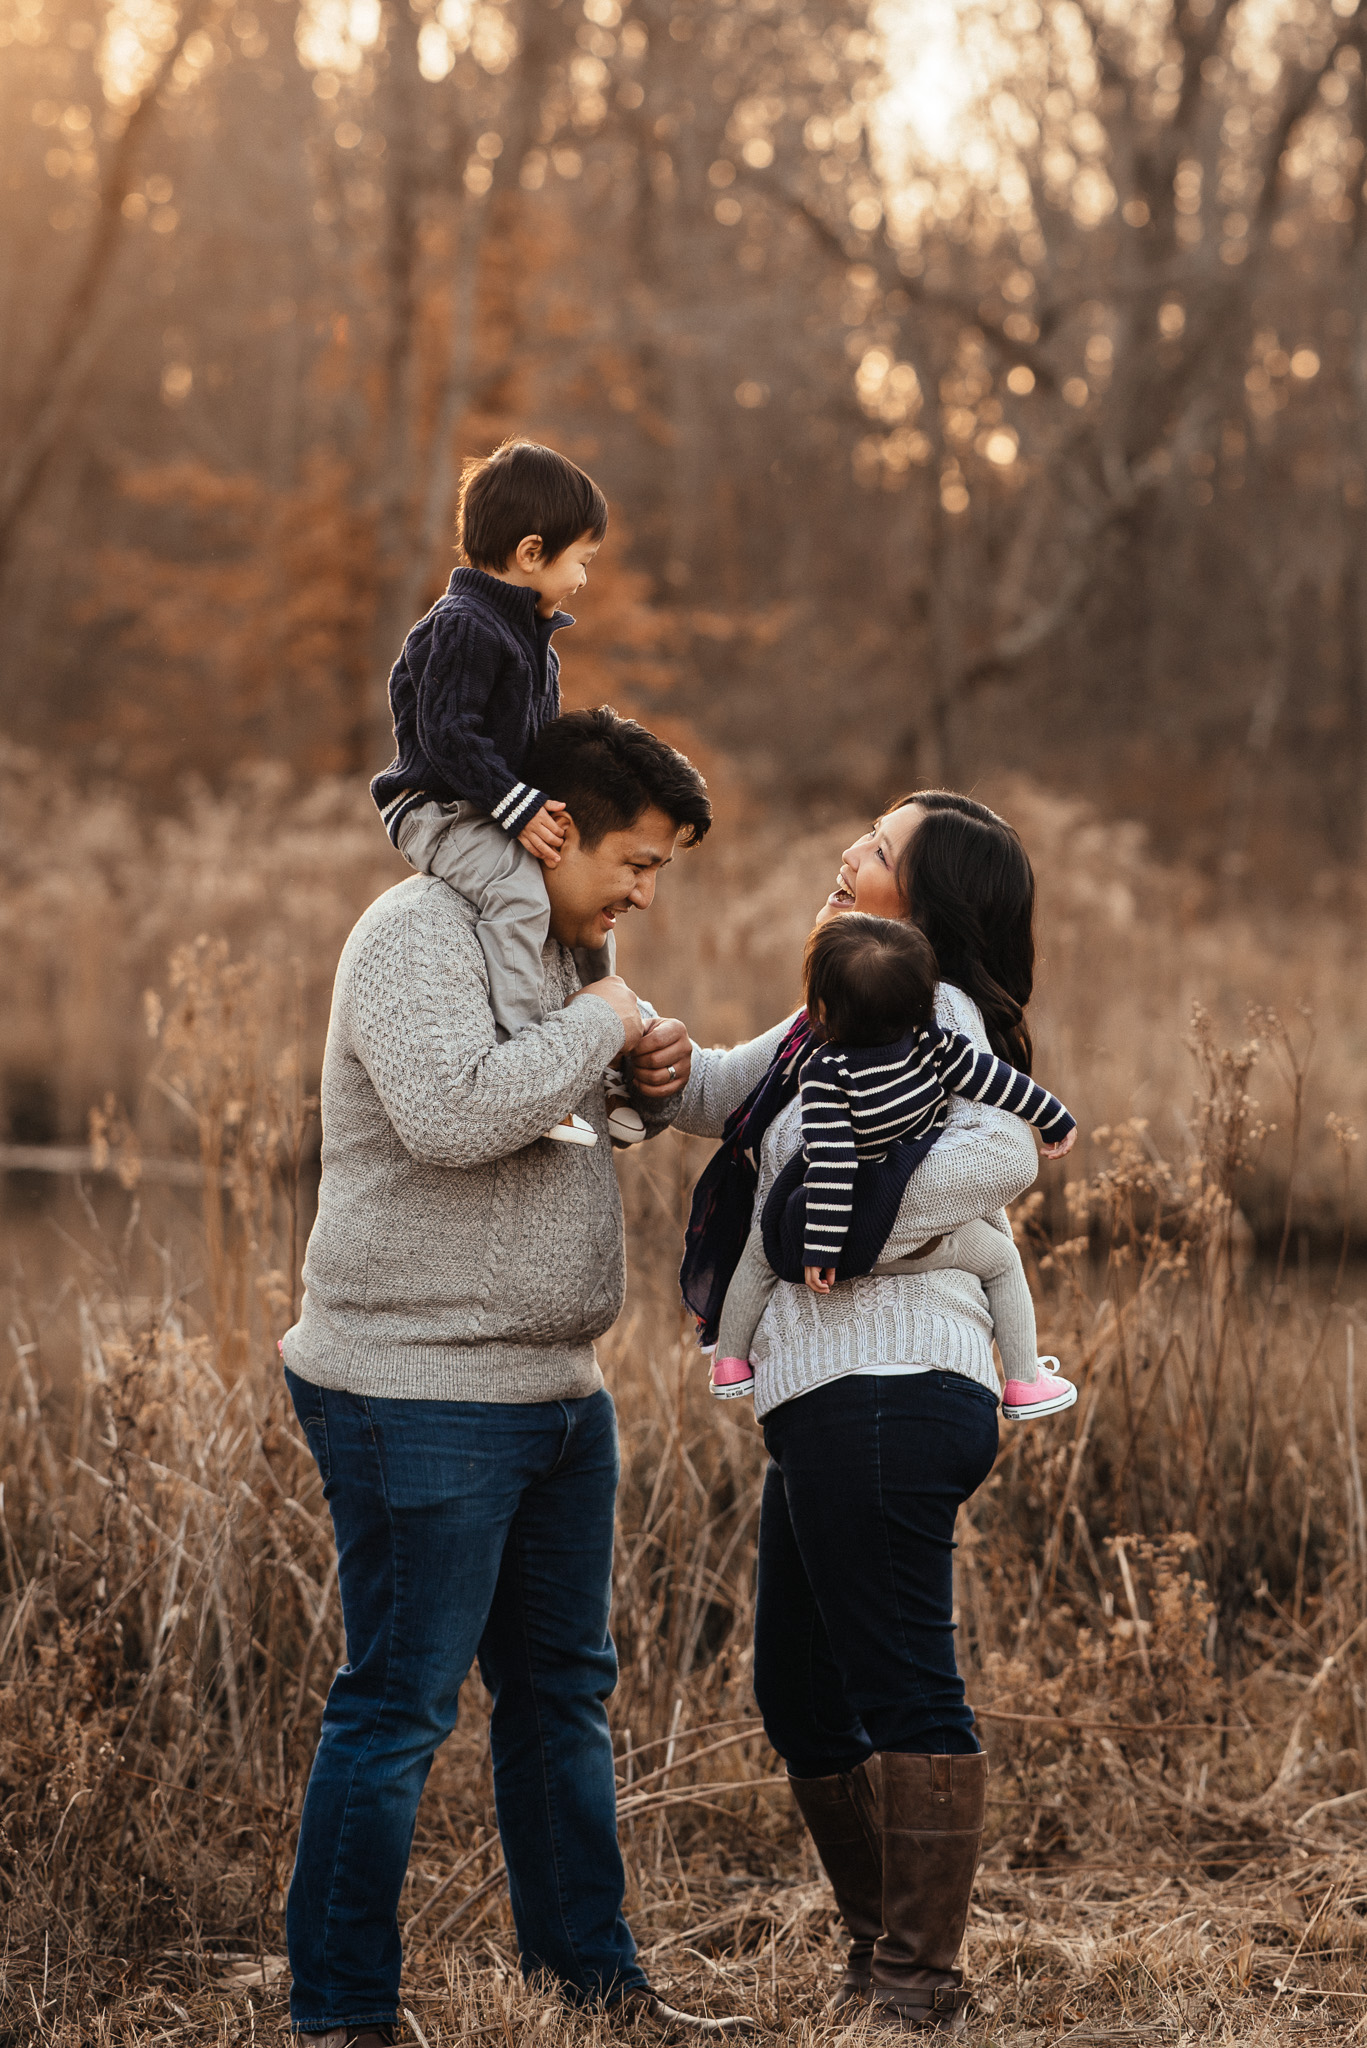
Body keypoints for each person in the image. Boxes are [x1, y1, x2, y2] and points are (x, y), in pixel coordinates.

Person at [280, 709, 737, 2048]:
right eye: (636, 864)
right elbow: (449, 1115)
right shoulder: (412, 933)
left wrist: (643, 1081)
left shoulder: (570, 949)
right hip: (411, 1387)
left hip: (554, 1391)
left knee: (559, 1702)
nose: (644, 894)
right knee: (399, 1706)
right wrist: (603, 1019)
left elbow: (561, 1117)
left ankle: (595, 1989)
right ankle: (344, 2015)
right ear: (552, 827)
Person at [647, 791, 1052, 2033]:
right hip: (831, 1395)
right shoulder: (848, 1000)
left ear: (920, 908)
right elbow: (728, 1090)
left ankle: (915, 1985)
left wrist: (844, 1216)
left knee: (897, 1687)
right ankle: (884, 1950)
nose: (847, 854)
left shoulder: (926, 1006)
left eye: (875, 852)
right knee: (802, 1691)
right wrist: (631, 1036)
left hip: (888, 1382)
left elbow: (1007, 1153)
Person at [370, 436, 643, 1148]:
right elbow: (448, 735)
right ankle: (533, 1068)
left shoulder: (533, 642)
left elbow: (539, 750)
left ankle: (615, 1062)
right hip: (438, 807)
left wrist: (570, 809)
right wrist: (518, 809)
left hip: (493, 806)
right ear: (530, 553)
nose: (584, 577)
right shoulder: (464, 628)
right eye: (580, 560)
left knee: (580, 895)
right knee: (521, 894)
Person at [708, 911, 1077, 1424]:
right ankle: (1023, 1380)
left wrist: (822, 1245)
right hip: (925, 1241)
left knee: (760, 1250)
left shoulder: (824, 1072)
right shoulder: (936, 1047)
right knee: (1001, 1263)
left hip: (844, 1241)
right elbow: (997, 1081)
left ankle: (729, 1363)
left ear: (820, 1010)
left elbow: (832, 1160)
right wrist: (1053, 1118)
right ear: (925, 1003)